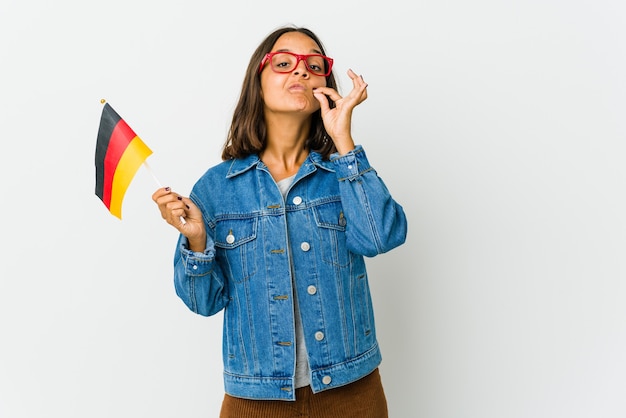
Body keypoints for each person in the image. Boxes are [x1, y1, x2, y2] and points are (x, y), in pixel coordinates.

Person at [152, 25, 407, 418]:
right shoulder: (217, 188)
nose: (301, 71)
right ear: (258, 81)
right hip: (254, 400)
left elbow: (381, 237)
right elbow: (203, 303)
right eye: (284, 63)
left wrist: (344, 142)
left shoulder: (344, 172)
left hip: (352, 394)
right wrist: (199, 241)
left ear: (326, 83)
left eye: (314, 65)